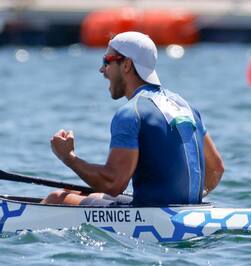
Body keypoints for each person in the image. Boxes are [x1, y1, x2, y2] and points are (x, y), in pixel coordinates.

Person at [42, 31, 224, 206]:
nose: (101, 70)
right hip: (182, 212)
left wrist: (69, 158)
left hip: (152, 217)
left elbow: (113, 184)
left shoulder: (131, 112)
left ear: (127, 65)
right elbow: (215, 169)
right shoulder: (186, 106)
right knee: (81, 194)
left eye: (107, 61)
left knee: (56, 198)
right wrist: (183, 200)